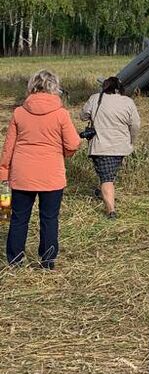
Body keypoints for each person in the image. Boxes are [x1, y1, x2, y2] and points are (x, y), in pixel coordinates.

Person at [0, 70, 80, 269]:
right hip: (52, 175)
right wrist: (63, 153)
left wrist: (4, 171)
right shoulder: (61, 114)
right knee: (49, 219)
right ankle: (47, 261)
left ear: (32, 86)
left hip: (22, 175)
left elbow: (8, 148)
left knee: (19, 219)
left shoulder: (19, 112)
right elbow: (73, 143)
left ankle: (15, 261)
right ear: (55, 87)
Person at [80, 76, 141, 218]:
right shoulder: (128, 102)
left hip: (101, 146)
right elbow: (135, 124)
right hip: (121, 146)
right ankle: (103, 192)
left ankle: (111, 211)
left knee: (106, 178)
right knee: (109, 175)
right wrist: (131, 140)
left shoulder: (95, 98)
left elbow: (83, 116)